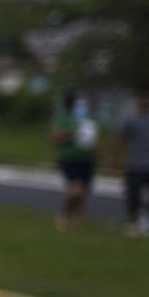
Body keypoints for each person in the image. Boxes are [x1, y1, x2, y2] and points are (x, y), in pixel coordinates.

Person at [118, 92, 149, 237]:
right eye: (142, 98)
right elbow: (120, 138)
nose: (145, 101)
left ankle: (145, 218)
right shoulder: (130, 120)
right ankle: (132, 224)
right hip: (135, 164)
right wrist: (114, 158)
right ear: (137, 101)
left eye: (147, 98)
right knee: (133, 197)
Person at [51, 91, 98, 229]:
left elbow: (93, 137)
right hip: (70, 159)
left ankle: (78, 223)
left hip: (86, 158)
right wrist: (72, 130)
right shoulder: (61, 118)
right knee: (76, 190)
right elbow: (56, 138)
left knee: (83, 193)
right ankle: (62, 214)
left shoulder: (84, 118)